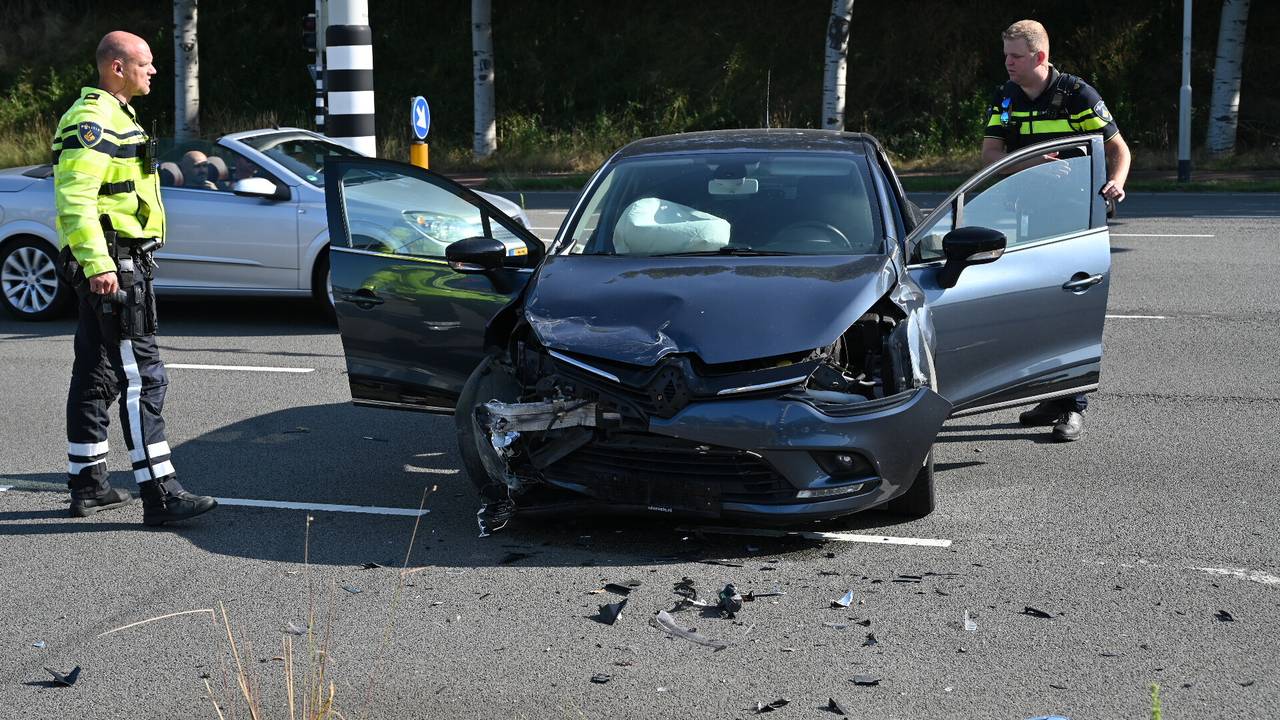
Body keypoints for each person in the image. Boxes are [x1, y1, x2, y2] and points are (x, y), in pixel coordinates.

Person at [52, 30, 217, 524]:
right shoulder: (92, 120)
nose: (154, 72)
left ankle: (87, 483)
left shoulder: (115, 115)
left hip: (116, 259)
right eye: (145, 64)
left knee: (96, 373)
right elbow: (76, 199)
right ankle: (161, 494)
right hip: (115, 263)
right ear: (117, 67)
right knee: (142, 377)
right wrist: (100, 264)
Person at [981, 19, 1131, 443]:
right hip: (1031, 217)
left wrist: (1117, 181)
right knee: (1037, 306)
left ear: (1039, 57)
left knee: (1072, 308)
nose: (1007, 62)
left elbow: (1119, 148)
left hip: (1076, 218)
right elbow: (992, 152)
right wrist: (1033, 163)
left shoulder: (1077, 94)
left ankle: (1073, 406)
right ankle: (1051, 394)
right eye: (1005, 54)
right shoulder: (1005, 97)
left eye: (1015, 56)